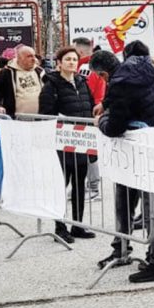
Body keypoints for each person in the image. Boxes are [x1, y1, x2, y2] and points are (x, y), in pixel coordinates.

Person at [91, 41, 154, 283]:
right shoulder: (148, 71)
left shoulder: (120, 82)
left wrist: (102, 120)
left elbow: (115, 127)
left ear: (103, 74)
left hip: (143, 149)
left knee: (150, 203)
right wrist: (108, 104)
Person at [38, 46, 97, 243]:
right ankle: (60, 227)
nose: (72, 62)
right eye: (68, 59)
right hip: (62, 143)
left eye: (74, 59)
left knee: (79, 185)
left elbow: (88, 105)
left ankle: (77, 226)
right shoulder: (51, 85)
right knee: (61, 185)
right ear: (59, 63)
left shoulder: (82, 82)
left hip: (81, 141)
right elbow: (45, 113)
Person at [73, 37, 105, 201]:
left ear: (80, 51)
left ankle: (93, 188)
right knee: (86, 151)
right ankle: (89, 187)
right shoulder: (96, 65)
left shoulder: (83, 67)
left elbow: (88, 90)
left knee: (88, 151)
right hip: (94, 110)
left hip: (87, 112)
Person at [0, 45, 44, 117]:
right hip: (16, 121)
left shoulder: (40, 71)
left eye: (34, 56)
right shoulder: (7, 73)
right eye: (29, 56)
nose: (34, 59)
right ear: (19, 58)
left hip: (41, 119)